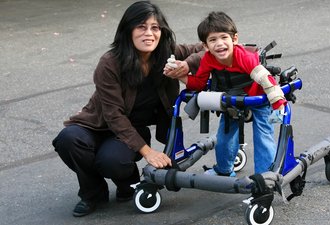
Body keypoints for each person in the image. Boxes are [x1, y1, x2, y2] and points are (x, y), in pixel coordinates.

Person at [52, 1, 203, 217]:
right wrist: (148, 152)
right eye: (141, 27)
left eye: (155, 27)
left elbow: (204, 48)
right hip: (98, 125)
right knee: (68, 140)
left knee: (112, 161)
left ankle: (127, 183)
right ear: (128, 30)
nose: (149, 33)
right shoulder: (110, 63)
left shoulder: (167, 53)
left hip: (134, 128)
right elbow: (113, 115)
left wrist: (188, 65)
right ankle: (92, 193)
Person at [164, 11, 286, 176]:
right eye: (213, 40)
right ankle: (224, 169)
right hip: (232, 101)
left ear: (234, 39)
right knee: (224, 137)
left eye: (224, 37)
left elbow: (266, 79)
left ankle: (264, 178)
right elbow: (199, 83)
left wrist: (278, 104)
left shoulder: (243, 56)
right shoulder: (208, 59)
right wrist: (181, 76)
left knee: (263, 137)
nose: (219, 44)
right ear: (206, 46)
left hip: (258, 100)